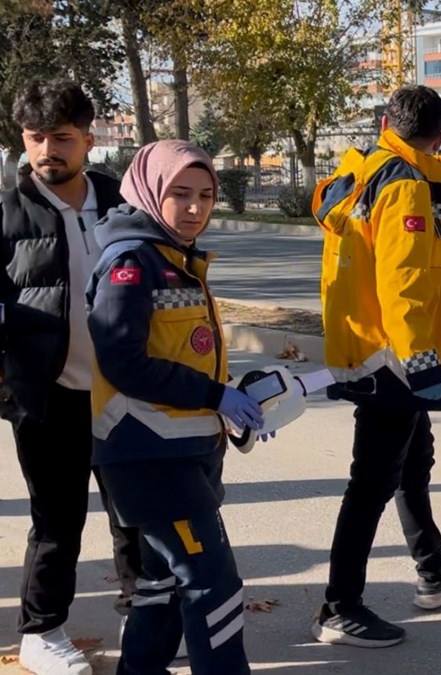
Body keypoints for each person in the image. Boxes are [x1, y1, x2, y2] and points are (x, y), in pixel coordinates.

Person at [310, 85, 441, 648]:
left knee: (413, 459)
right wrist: (423, 366)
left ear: (388, 122)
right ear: (439, 137)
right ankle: (339, 606)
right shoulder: (406, 185)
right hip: (395, 356)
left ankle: (433, 569)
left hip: (369, 346)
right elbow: (403, 285)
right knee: (373, 480)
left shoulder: (363, 169)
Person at [87, 140, 270, 675]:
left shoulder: (174, 257)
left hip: (185, 450)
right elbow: (123, 362)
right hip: (148, 457)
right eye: (180, 194)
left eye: (206, 195)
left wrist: (236, 399)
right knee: (213, 584)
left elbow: (183, 354)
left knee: (163, 581)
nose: (195, 207)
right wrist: (216, 397)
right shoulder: (132, 262)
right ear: (149, 192)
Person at [0, 78, 141, 675]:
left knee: (135, 513)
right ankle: (42, 631)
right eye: (36, 139)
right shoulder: (5, 210)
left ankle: (147, 613)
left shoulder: (123, 202)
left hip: (125, 390)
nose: (47, 151)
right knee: (56, 521)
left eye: (61, 138)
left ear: (89, 138)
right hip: (47, 395)